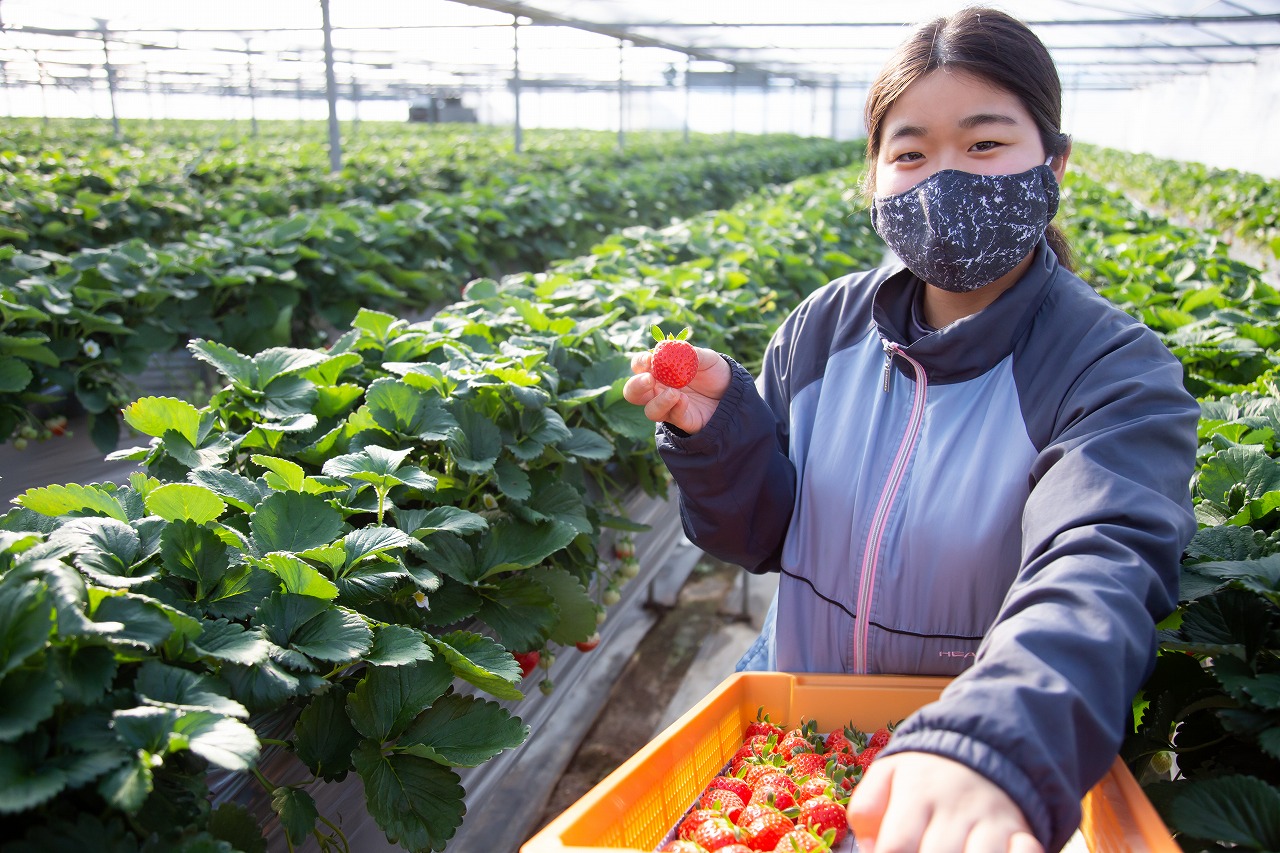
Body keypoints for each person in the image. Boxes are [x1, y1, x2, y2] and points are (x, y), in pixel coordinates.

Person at [623, 7, 1199, 853]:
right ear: (874, 177)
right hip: (802, 744)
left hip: (966, 790)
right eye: (911, 152)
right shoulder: (825, 328)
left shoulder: (1111, 368)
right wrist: (723, 440)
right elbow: (763, 537)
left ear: (1056, 164)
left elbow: (1101, 563)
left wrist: (994, 737)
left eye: (985, 144)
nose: (946, 177)